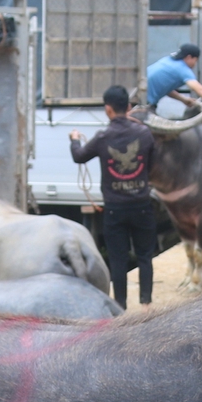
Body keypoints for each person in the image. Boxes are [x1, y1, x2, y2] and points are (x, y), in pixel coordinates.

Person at [69, 85, 157, 309]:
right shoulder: (145, 134)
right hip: (142, 206)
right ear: (128, 107)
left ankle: (120, 307)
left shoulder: (102, 137)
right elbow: (153, 165)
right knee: (145, 256)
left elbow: (79, 157)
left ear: (108, 109)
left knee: (118, 260)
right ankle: (146, 305)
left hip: (115, 209)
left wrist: (74, 139)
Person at [146, 44, 202, 116]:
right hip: (145, 105)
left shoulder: (167, 60)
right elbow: (201, 90)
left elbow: (166, 89)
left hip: (139, 98)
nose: (195, 64)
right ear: (189, 57)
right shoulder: (182, 69)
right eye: (195, 60)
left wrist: (184, 100)